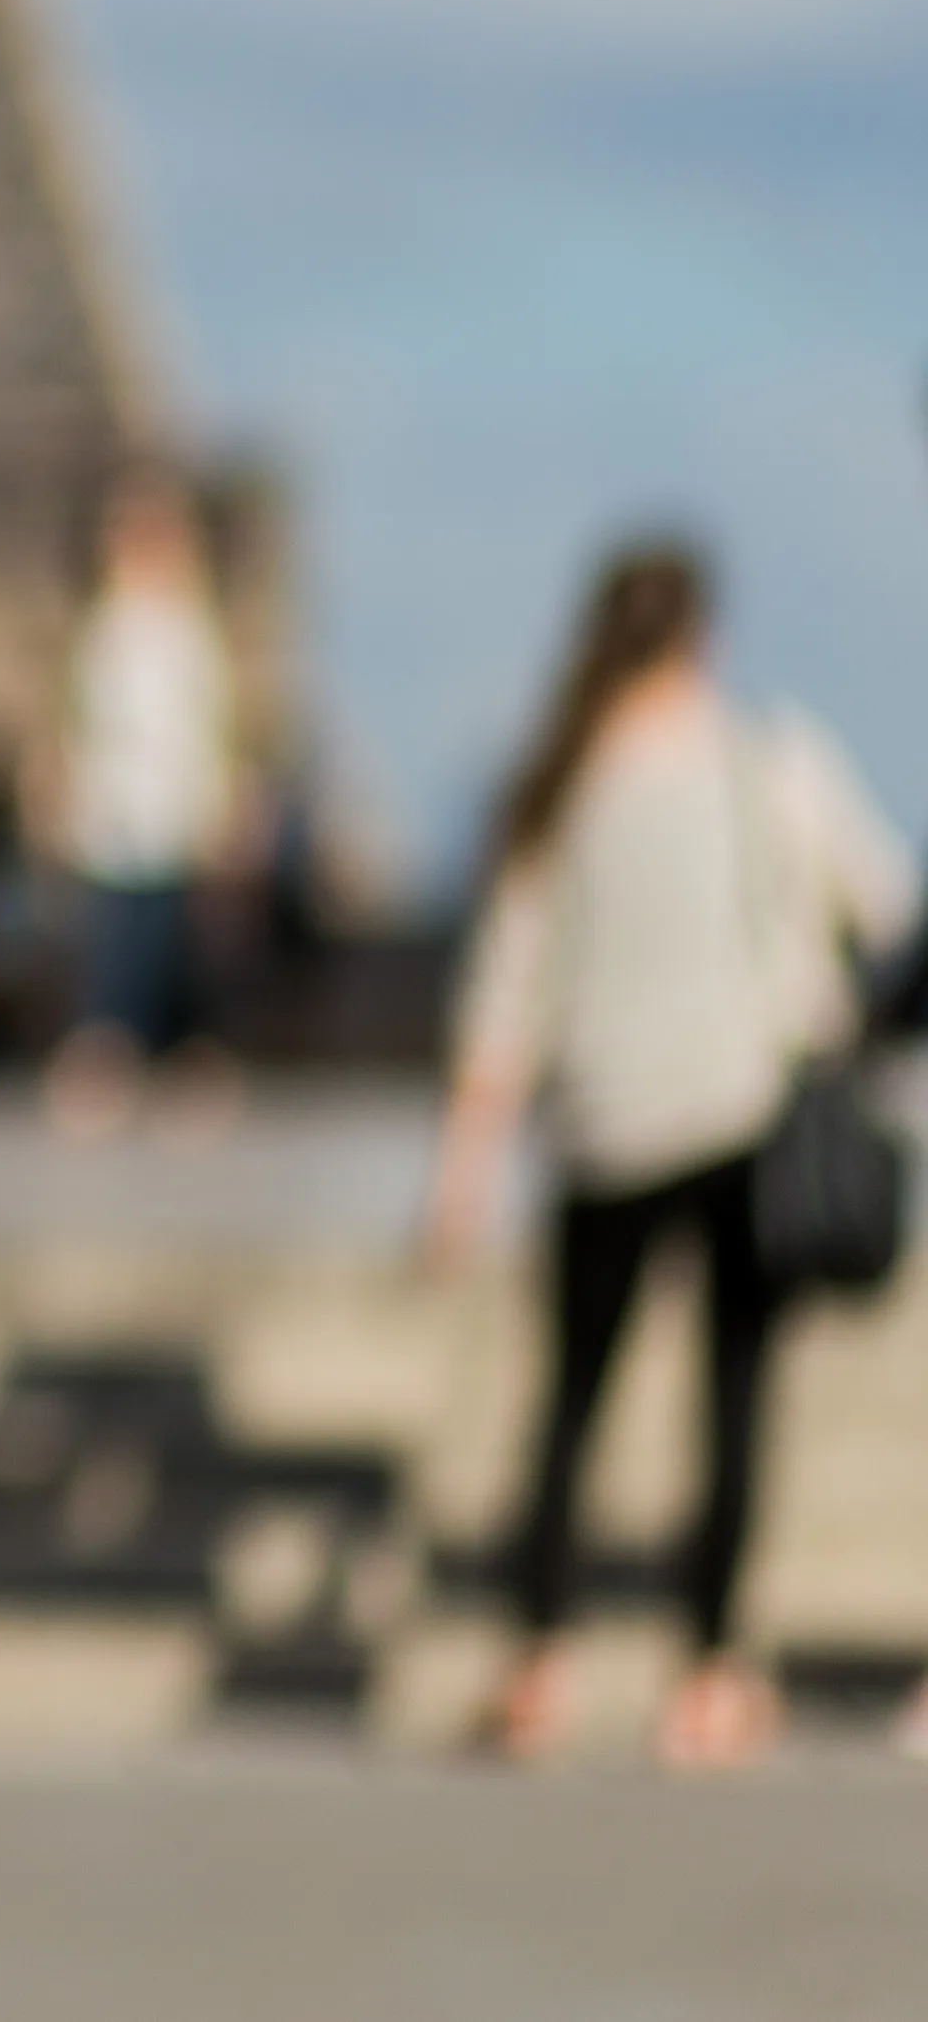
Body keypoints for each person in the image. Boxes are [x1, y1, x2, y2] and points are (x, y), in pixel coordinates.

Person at [427, 541, 917, 1771]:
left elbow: (504, 993)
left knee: (571, 1403)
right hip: (742, 1115)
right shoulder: (772, 761)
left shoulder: (562, 783)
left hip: (601, 1126)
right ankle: (707, 1673)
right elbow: (883, 903)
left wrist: (464, 1174)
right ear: (703, 635)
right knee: (733, 1400)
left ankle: (539, 1659)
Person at [42, 468, 251, 1129]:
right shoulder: (103, 630)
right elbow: (77, 723)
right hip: (115, 816)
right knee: (116, 942)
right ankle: (109, 1055)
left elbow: (211, 727)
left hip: (173, 815)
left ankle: (176, 1061)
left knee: (171, 948)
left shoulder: (189, 632)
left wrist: (221, 805)